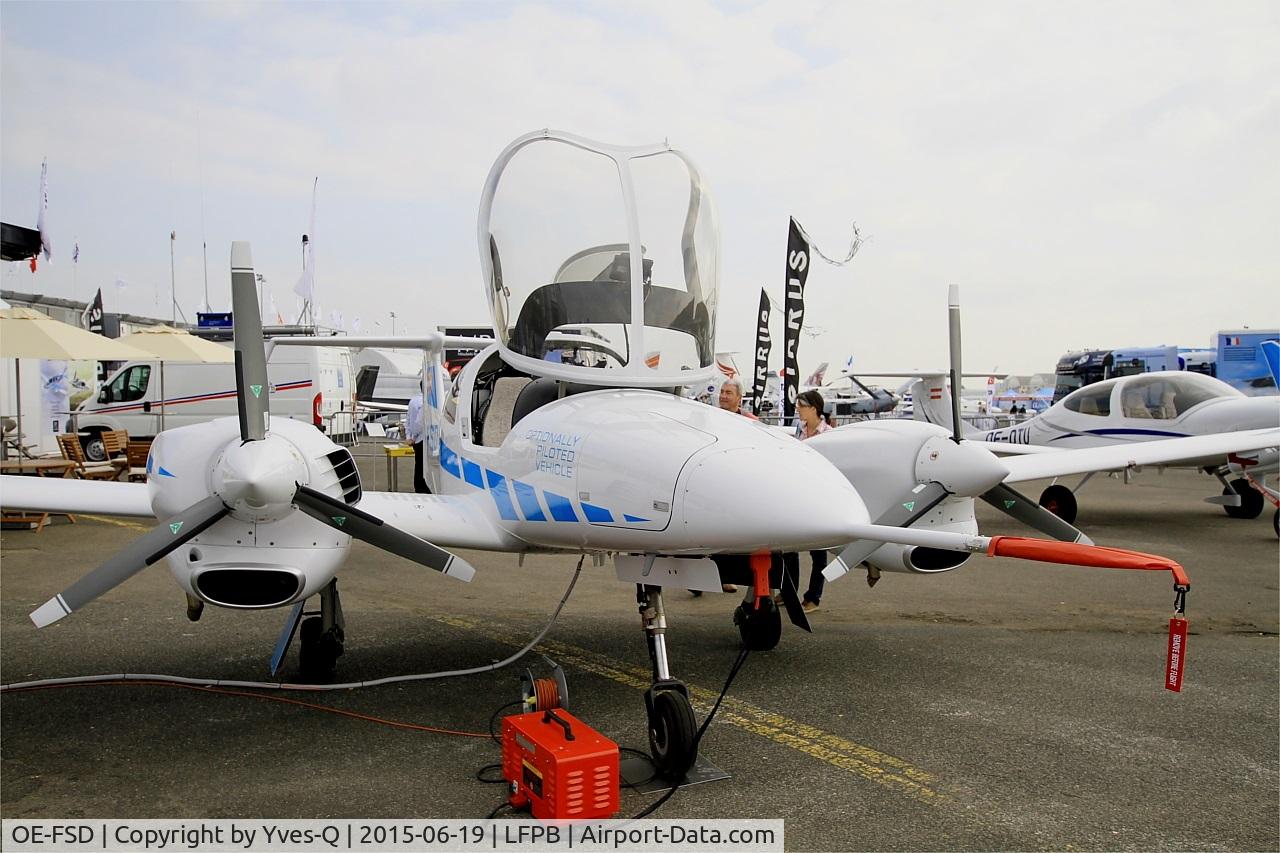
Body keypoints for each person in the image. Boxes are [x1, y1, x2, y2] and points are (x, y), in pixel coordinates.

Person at [783, 389, 832, 613]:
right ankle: (788, 592)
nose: (797, 409)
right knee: (789, 549)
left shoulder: (829, 434)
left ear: (814, 408)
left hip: (821, 498)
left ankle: (813, 597)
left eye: (801, 406)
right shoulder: (799, 431)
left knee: (818, 553)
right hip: (799, 494)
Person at [406, 390, 431, 494]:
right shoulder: (425, 402)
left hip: (416, 440)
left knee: (418, 465)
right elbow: (419, 423)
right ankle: (423, 489)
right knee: (423, 467)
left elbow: (408, 420)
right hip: (422, 439)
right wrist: (414, 435)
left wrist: (409, 436)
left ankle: (418, 488)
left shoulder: (413, 401)